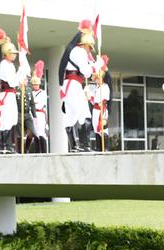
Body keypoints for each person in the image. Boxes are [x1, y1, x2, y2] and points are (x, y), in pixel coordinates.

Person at [0, 25, 29, 154]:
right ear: (7, 53)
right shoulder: (4, 65)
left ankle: (8, 145)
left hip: (10, 95)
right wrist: (20, 73)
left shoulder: (9, 65)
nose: (14, 55)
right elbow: (12, 81)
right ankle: (4, 146)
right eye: (13, 53)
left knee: (12, 119)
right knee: (6, 120)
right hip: (6, 95)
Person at [59, 19, 96, 152]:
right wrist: (95, 66)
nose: (90, 50)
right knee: (84, 114)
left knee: (71, 117)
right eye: (89, 47)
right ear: (85, 44)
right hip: (73, 85)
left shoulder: (75, 51)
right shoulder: (79, 51)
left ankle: (75, 146)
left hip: (71, 85)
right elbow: (86, 72)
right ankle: (84, 145)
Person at [89, 55, 111, 152]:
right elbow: (94, 100)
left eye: (97, 78)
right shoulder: (97, 88)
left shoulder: (105, 87)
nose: (96, 80)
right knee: (95, 127)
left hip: (102, 109)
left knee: (103, 127)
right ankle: (98, 147)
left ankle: (105, 147)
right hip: (95, 109)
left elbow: (105, 98)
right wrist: (89, 97)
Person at [14, 77, 37, 153]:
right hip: (19, 114)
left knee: (32, 132)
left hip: (27, 114)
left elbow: (32, 104)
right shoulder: (16, 90)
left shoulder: (29, 90)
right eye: (25, 80)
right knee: (19, 135)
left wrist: (34, 116)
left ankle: (26, 148)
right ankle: (20, 151)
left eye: (26, 80)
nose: (26, 81)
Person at [31, 60, 48, 154]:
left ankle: (44, 152)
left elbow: (41, 103)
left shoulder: (43, 93)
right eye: (34, 85)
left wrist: (34, 104)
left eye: (37, 84)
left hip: (40, 113)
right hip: (33, 113)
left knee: (41, 132)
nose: (35, 86)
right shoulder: (31, 93)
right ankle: (37, 152)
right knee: (35, 133)